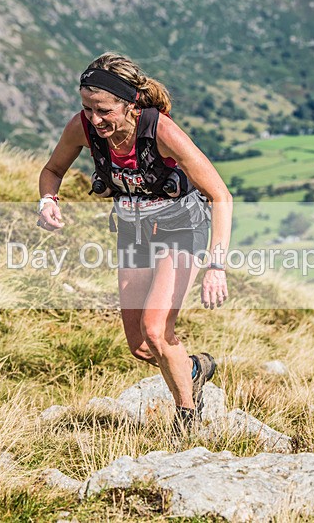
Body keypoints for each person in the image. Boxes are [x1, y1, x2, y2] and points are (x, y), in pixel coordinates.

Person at [37, 52, 232, 429]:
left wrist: (216, 266)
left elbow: (220, 195)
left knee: (157, 331)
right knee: (141, 345)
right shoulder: (82, 127)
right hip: (132, 233)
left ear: (129, 103)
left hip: (181, 230)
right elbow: (52, 170)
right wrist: (48, 200)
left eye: (104, 110)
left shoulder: (160, 131)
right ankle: (193, 367)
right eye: (87, 107)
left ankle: (187, 417)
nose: (95, 119)